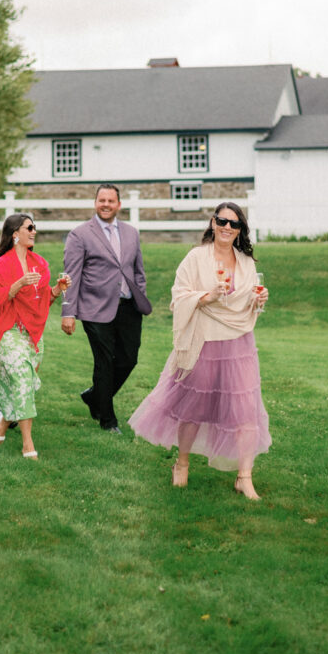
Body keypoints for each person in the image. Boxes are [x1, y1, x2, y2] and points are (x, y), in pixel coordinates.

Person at [128, 201, 270, 498]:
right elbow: (179, 296)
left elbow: (246, 301)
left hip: (238, 343)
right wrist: (207, 296)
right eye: (222, 221)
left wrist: (258, 300)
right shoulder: (195, 258)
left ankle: (244, 476)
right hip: (203, 340)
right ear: (212, 222)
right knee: (193, 407)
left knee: (245, 410)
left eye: (234, 224)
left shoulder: (246, 262)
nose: (227, 228)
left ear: (240, 229)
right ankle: (181, 464)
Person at [0, 213, 69, 457]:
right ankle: (28, 444)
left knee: (25, 386)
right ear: (15, 234)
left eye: (34, 227)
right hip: (8, 330)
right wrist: (19, 283)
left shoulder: (39, 262)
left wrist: (58, 288)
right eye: (29, 228)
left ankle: (2, 425)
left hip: (32, 334)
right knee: (24, 382)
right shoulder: (2, 264)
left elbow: (43, 299)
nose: (34, 231)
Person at [61, 184, 152, 434]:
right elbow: (71, 275)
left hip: (128, 307)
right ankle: (108, 420)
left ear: (118, 205)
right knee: (105, 362)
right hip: (94, 308)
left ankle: (94, 396)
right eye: (102, 200)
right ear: (95, 203)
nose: (106, 204)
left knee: (129, 359)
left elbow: (138, 270)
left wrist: (140, 294)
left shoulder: (132, 232)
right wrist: (68, 312)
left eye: (111, 201)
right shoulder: (79, 234)